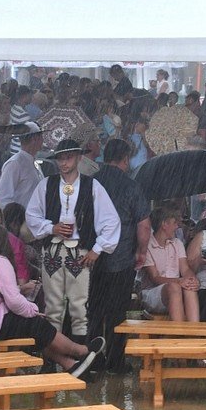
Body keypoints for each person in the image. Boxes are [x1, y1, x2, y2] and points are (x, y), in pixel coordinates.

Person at [0, 225, 102, 378]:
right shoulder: (0, 262)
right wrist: (33, 310)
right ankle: (80, 351)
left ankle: (70, 364)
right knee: (37, 325)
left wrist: (22, 295)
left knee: (33, 330)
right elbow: (14, 302)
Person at [25, 139, 121, 344]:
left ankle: (80, 354)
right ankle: (52, 356)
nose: (64, 162)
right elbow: (32, 215)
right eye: (60, 158)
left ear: (78, 158)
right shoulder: (46, 184)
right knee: (53, 306)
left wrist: (97, 249)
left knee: (80, 307)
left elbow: (111, 220)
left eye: (68, 157)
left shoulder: (92, 186)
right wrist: (52, 228)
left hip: (80, 251)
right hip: (52, 250)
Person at [88, 138, 152, 371]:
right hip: (122, 256)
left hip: (93, 258)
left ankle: (93, 358)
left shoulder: (90, 183)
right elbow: (144, 225)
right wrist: (141, 252)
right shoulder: (131, 186)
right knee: (117, 312)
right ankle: (115, 361)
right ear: (125, 159)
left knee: (94, 310)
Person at [141, 207, 200, 321]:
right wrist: (178, 281)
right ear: (164, 224)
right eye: (174, 223)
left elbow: (185, 269)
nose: (177, 226)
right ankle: (178, 331)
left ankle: (194, 329)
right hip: (152, 294)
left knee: (189, 286)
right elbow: (155, 278)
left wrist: (192, 279)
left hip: (176, 290)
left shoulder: (177, 243)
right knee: (174, 287)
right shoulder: (147, 245)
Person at [0, 122, 45, 209]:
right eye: (41, 136)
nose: (43, 140)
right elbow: (1, 199)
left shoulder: (34, 162)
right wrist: (17, 215)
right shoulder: (14, 164)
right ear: (35, 139)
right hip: (22, 216)